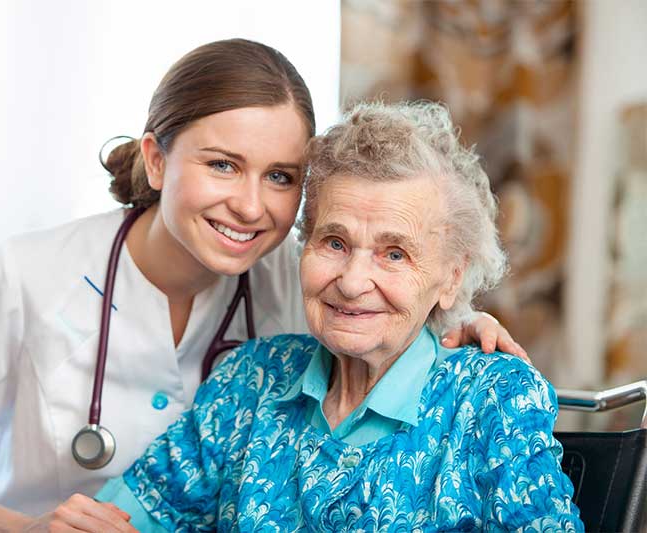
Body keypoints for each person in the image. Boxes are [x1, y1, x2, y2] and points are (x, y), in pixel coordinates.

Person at [0, 40, 525, 532]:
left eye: (280, 177)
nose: (250, 206)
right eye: (223, 165)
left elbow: (386, 318)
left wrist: (455, 329)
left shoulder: (305, 275)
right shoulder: (26, 274)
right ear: (157, 160)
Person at [95, 101, 583, 531]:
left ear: (450, 278)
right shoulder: (250, 379)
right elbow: (120, 520)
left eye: (395, 254)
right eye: (334, 242)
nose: (351, 282)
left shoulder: (491, 400)